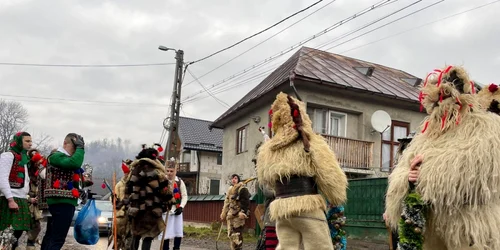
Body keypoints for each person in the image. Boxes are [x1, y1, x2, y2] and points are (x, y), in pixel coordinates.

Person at [385, 65, 500, 249]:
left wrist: (421, 177)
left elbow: (469, 174)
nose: (441, 105)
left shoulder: (485, 128)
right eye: (437, 101)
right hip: (430, 233)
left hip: (468, 233)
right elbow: (401, 175)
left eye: (445, 98)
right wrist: (408, 178)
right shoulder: (425, 136)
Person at [256, 92, 348, 250]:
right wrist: (335, 195)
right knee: (319, 246)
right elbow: (330, 176)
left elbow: (266, 180)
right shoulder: (312, 142)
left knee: (287, 247)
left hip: (282, 209)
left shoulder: (268, 149)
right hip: (307, 206)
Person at [122, 145, 173, 250]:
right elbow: (165, 191)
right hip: (152, 209)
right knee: (148, 236)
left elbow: (128, 188)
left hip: (136, 209)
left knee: (136, 234)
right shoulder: (158, 172)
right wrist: (169, 200)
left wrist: (127, 202)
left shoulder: (134, 170)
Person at [41, 133, 85, 250]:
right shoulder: (56, 156)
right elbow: (74, 163)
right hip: (61, 202)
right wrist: (81, 149)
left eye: (78, 147)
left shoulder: (65, 158)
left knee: (51, 236)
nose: (76, 150)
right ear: (65, 143)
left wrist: (80, 190)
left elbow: (71, 177)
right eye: (74, 146)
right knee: (57, 239)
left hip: (64, 201)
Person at [0, 131, 33, 250]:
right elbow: (2, 179)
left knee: (15, 235)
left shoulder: (23, 158)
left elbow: (25, 182)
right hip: (10, 199)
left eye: (31, 141)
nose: (30, 144)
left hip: (21, 199)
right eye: (27, 141)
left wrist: (28, 197)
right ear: (19, 141)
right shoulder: (8, 156)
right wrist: (10, 199)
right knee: (6, 235)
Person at [159, 158, 188, 250]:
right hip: (165, 211)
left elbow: (184, 196)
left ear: (175, 171)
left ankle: (176, 248)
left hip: (176, 211)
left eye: (171, 171)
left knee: (178, 231)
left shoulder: (179, 182)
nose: (169, 173)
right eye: (167, 171)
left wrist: (181, 207)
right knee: (166, 233)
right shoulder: (162, 182)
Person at [220, 174, 251, 250]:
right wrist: (224, 213)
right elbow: (227, 202)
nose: (233, 180)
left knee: (237, 235)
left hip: (238, 216)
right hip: (230, 215)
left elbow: (246, 202)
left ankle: (238, 248)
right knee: (230, 234)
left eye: (235, 178)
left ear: (238, 180)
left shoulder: (242, 189)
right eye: (232, 178)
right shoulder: (230, 190)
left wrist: (243, 211)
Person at [25, 149, 47, 250]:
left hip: (35, 205)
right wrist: (29, 199)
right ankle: (14, 244)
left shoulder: (41, 173)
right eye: (37, 163)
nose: (39, 165)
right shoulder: (26, 172)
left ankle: (30, 243)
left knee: (36, 227)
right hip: (24, 202)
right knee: (19, 228)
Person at [109, 159, 133, 250]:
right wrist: (114, 199)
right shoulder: (119, 185)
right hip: (120, 215)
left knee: (129, 241)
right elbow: (113, 199)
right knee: (118, 240)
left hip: (130, 216)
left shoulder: (134, 184)